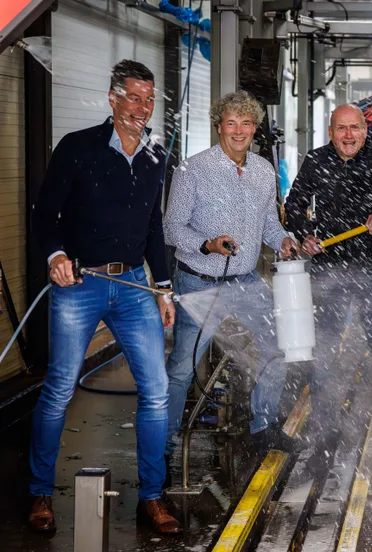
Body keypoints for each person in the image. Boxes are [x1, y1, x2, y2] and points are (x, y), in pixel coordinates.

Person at [29, 60, 181, 534]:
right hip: (81, 286)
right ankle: (39, 496)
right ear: (112, 98)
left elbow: (154, 228)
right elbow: (44, 214)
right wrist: (55, 255)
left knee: (155, 393)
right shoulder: (77, 149)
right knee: (58, 391)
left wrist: (164, 288)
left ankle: (151, 498)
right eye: (133, 97)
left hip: (135, 286)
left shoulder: (157, 157)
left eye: (149, 98)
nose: (142, 107)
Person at [163, 91, 299, 466]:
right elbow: (172, 228)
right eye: (231, 122)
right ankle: (164, 446)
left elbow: (269, 224)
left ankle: (263, 428)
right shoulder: (192, 170)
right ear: (218, 125)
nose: (239, 131)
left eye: (247, 123)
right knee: (181, 369)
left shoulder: (263, 170)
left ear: (255, 128)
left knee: (276, 348)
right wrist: (206, 244)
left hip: (245, 282)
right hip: (199, 281)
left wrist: (284, 241)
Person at [284, 103, 372, 459]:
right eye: (341, 129)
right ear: (331, 132)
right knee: (325, 354)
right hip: (329, 272)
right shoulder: (315, 161)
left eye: (354, 128)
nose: (348, 135)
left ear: (365, 130)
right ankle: (323, 431)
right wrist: (305, 235)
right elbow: (294, 205)